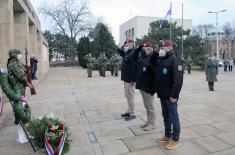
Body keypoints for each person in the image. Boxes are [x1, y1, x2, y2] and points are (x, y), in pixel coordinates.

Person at [150, 40, 184, 150]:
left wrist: (174, 95)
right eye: (160, 48)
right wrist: (155, 52)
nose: (161, 50)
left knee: (174, 117)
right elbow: (151, 62)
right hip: (162, 94)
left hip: (171, 95)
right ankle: (167, 135)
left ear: (169, 47)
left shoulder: (175, 60)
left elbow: (178, 81)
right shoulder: (162, 58)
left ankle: (175, 139)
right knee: (166, 116)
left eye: (162, 48)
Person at [133, 41, 156, 131]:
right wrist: (138, 48)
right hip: (142, 85)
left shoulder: (152, 59)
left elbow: (154, 74)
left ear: (150, 50)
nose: (144, 50)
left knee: (150, 106)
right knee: (146, 106)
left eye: (146, 49)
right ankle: (148, 121)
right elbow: (133, 57)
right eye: (143, 49)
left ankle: (152, 123)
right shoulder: (142, 58)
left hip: (149, 87)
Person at [7, 49, 33, 124]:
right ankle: (18, 118)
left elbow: (23, 70)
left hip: (20, 86)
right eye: (19, 54)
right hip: (17, 87)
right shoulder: (13, 64)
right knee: (19, 102)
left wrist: (27, 68)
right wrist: (27, 83)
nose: (20, 55)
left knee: (21, 101)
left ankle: (21, 116)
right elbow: (20, 75)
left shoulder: (16, 62)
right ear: (14, 55)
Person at [118, 39, 137, 121]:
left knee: (130, 96)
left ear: (132, 44)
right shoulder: (127, 52)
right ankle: (129, 111)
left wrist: (133, 79)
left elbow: (134, 68)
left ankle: (132, 113)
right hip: (126, 78)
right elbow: (121, 52)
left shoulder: (133, 53)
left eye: (127, 44)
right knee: (127, 96)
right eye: (125, 45)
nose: (125, 46)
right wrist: (122, 46)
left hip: (130, 79)